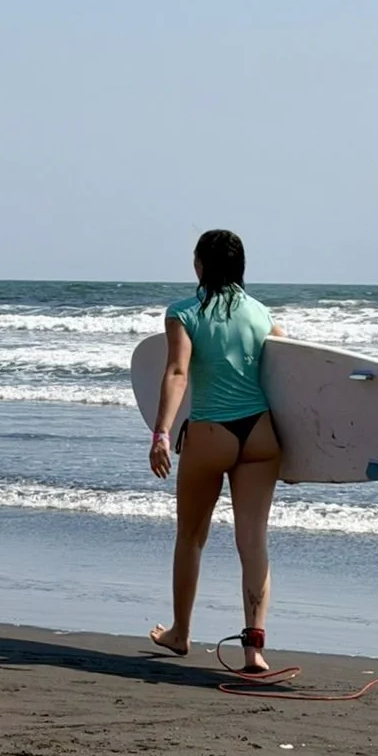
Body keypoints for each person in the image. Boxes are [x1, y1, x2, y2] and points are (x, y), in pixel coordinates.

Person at [148, 229, 285, 674]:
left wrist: (162, 433)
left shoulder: (184, 313)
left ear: (201, 265)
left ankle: (180, 633)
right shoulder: (263, 315)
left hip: (211, 434)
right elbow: (291, 384)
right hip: (262, 436)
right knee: (253, 542)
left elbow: (176, 371)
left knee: (191, 536)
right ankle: (254, 650)